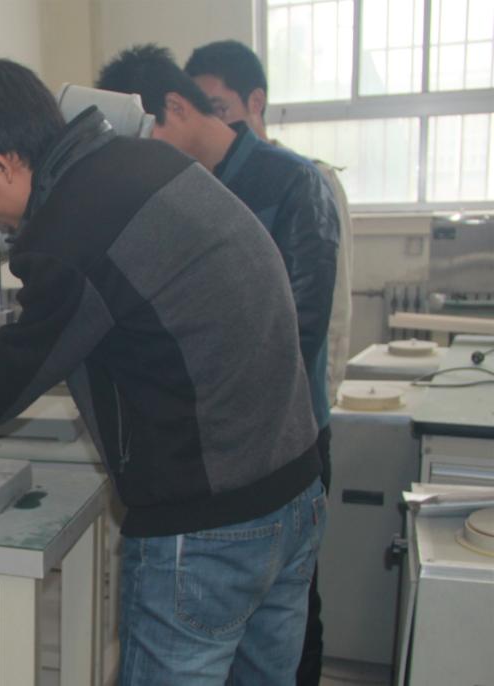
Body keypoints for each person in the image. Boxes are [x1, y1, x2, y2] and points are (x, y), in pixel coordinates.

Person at [0, 58, 326, 685]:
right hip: (294, 487)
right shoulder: (147, 161)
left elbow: (29, 355)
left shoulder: (70, 226)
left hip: (208, 524)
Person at [98, 44, 343, 685]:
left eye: (140, 135)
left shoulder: (292, 183)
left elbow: (299, 328)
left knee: (285, 634)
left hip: (282, 448)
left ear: (175, 107)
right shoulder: (172, 191)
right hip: (208, 467)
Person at [183, 40, 354, 686]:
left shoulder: (303, 182)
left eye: (219, 106)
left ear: (255, 101)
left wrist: (312, 413)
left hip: (295, 430)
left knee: (292, 603)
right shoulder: (205, 185)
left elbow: (324, 321)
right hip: (231, 438)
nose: (210, 123)